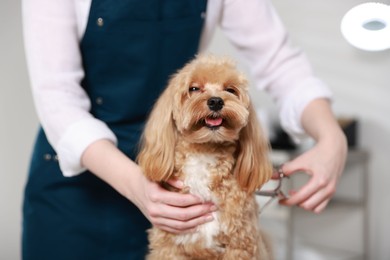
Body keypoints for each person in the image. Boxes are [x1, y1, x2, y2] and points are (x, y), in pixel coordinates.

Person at [21, 0, 347, 259]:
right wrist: (137, 184)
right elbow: (57, 98)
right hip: (76, 190)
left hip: (179, 185)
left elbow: (280, 64)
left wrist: (332, 137)